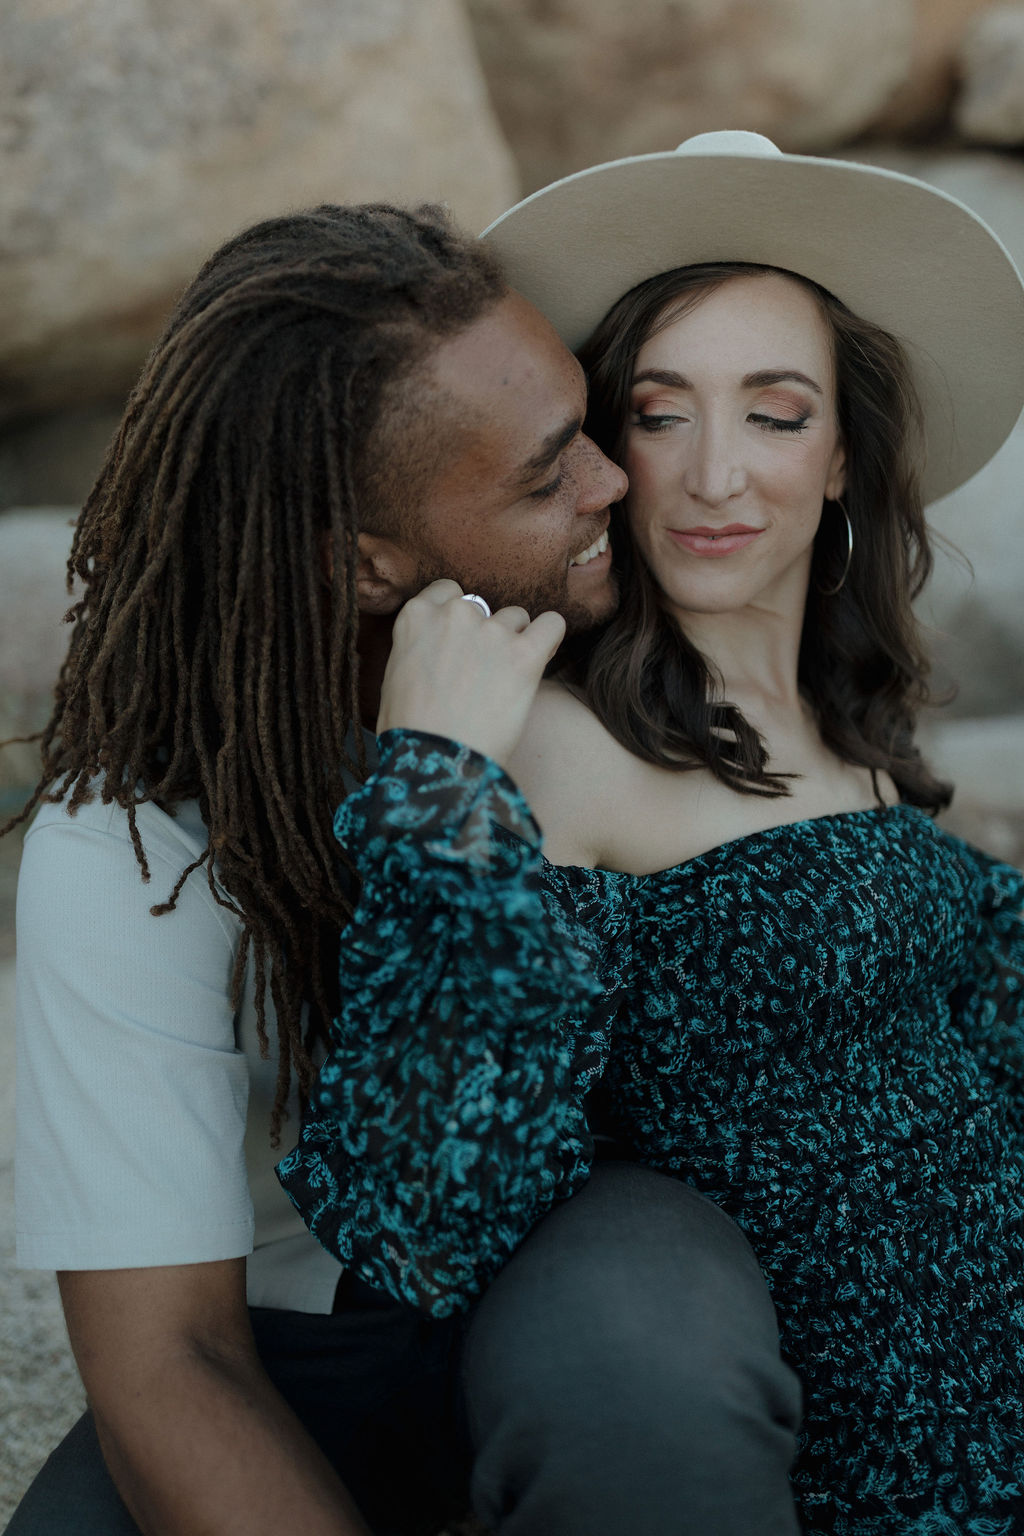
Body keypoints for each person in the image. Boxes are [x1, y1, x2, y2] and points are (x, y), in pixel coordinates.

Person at [6, 200, 803, 1536]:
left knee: (636, 1353)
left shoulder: (632, 672)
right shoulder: (135, 849)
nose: (616, 483)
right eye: (548, 478)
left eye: (592, 430)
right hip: (295, 1341)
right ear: (365, 563)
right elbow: (167, 1359)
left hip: (588, 1246)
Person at [278, 134, 1024, 1534]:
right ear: (606, 446)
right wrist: (434, 782)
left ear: (849, 452)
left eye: (776, 411)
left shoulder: (846, 718)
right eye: (662, 412)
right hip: (838, 1460)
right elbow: (432, 1208)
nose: (715, 475)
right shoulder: (562, 743)